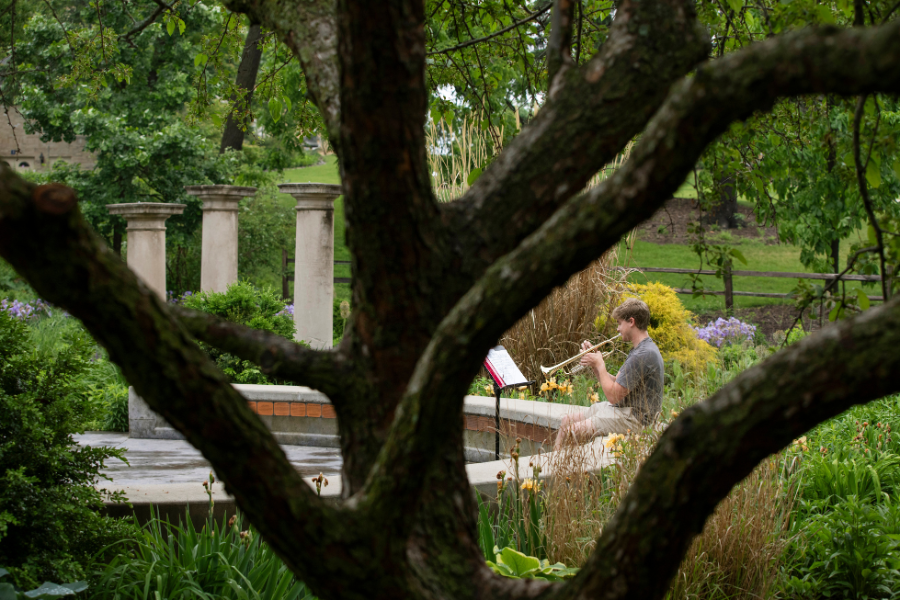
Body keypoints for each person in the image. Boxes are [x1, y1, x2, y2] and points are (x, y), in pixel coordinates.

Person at [554, 298, 664, 450]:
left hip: (635, 419)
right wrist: (595, 366)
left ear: (631, 322)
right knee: (567, 420)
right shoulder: (641, 349)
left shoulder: (642, 354)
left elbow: (613, 396)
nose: (618, 329)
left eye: (619, 323)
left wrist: (600, 364)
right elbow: (617, 383)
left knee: (571, 432)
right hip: (626, 410)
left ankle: (562, 470)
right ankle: (555, 466)